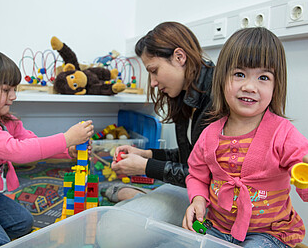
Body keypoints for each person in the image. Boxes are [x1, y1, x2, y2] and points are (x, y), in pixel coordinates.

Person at [182, 27, 308, 248]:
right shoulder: (209, 134)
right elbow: (197, 176)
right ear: (222, 79)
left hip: (269, 233)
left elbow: (303, 175)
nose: (249, 87)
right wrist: (198, 200)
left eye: (263, 77)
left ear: (276, 85)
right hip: (217, 228)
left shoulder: (283, 133)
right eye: (239, 74)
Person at [0, 48, 94, 248]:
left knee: (23, 223)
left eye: (14, 89)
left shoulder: (5, 119)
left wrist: (67, 150)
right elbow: (17, 152)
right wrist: (66, 138)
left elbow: (30, 141)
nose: (13, 96)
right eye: (6, 90)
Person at [103, 21, 215, 226]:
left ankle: (136, 195)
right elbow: (191, 157)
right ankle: (138, 196)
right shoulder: (189, 94)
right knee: (115, 224)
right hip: (194, 193)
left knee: (113, 228)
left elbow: (206, 177)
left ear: (179, 57)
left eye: (154, 70)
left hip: (216, 202)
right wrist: (147, 155)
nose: (153, 82)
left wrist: (146, 166)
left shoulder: (217, 99)